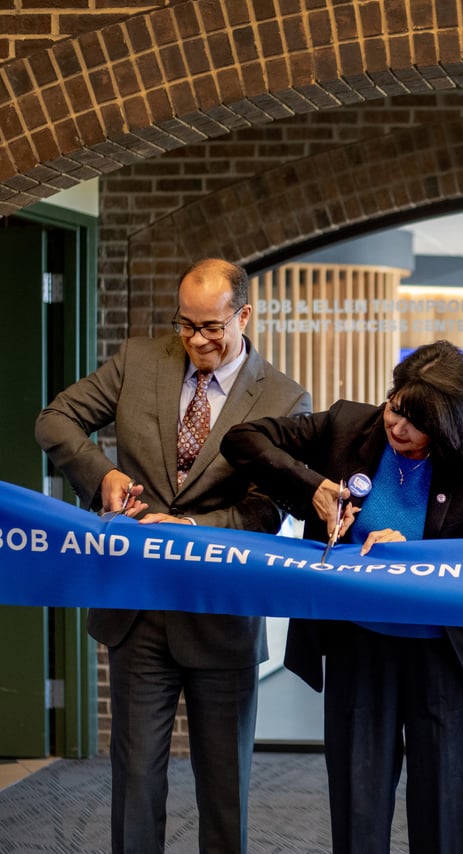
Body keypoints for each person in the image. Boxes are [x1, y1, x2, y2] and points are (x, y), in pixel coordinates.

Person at [33, 258, 311, 854]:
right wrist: (102, 473)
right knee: (135, 785)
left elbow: (266, 513)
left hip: (221, 615)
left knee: (222, 792)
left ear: (245, 316)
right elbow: (56, 420)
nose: (196, 341)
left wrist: (186, 529)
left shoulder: (285, 399)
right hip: (138, 610)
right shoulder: (139, 360)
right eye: (185, 325)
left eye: (211, 328)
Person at [220, 340, 463, 854]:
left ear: (447, 426)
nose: (397, 426)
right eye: (396, 406)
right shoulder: (348, 426)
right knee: (359, 812)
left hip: (445, 657)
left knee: (447, 819)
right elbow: (243, 440)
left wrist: (415, 555)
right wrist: (313, 486)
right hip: (361, 647)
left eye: (416, 422)